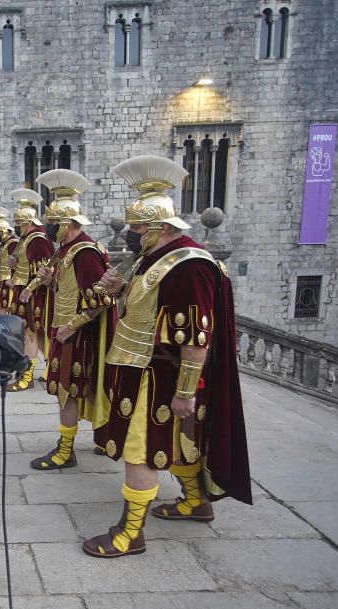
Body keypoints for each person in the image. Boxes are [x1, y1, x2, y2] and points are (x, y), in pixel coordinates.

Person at [83, 155, 252, 559]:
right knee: (180, 441)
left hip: (160, 375)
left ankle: (130, 533)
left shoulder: (189, 266)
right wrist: (119, 288)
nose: (133, 234)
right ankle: (196, 501)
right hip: (147, 366)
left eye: (139, 228)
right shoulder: (154, 258)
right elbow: (147, 309)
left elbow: (197, 336)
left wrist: (185, 393)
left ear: (157, 227)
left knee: (140, 449)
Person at [26, 170, 116, 470]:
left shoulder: (84, 253)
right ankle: (92, 440)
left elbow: (101, 300)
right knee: (68, 390)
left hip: (75, 335)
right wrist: (50, 282)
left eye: (53, 225)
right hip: (65, 330)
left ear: (67, 224)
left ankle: (65, 451)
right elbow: (68, 291)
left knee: (67, 391)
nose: (49, 230)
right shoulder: (66, 251)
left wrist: (69, 327)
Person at [8, 188, 54, 391]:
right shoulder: (27, 238)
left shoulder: (38, 239)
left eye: (19, 224)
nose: (17, 227)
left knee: (30, 333)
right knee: (36, 333)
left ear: (27, 222)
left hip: (33, 294)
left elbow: (43, 271)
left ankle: (26, 377)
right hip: (24, 290)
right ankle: (51, 370)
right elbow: (25, 265)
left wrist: (29, 289)